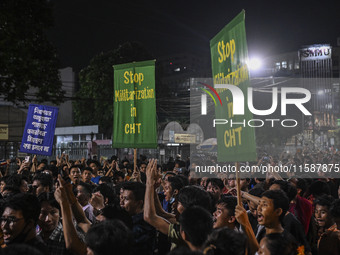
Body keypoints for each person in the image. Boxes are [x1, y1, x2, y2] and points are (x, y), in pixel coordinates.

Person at [120, 181, 156, 255]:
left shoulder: (143, 226)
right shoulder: (128, 217)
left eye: (126, 199)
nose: (122, 202)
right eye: (122, 198)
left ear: (139, 203)